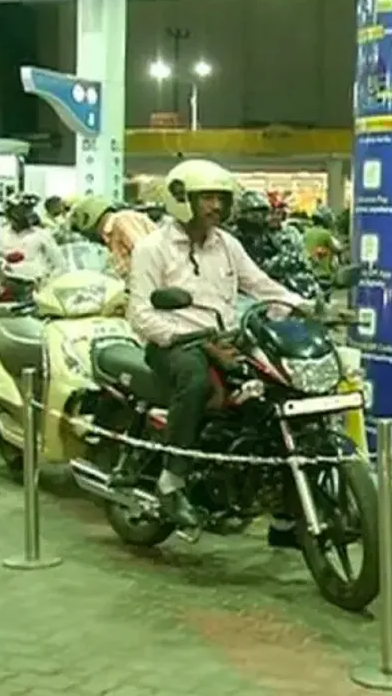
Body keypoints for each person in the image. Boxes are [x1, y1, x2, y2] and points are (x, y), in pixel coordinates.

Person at [127, 159, 309, 533]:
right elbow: (140, 313)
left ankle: (281, 503)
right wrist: (179, 336)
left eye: (221, 199)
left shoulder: (227, 244)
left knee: (275, 388)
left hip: (224, 340)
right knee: (196, 383)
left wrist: (303, 306)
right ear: (182, 200)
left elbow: (260, 285)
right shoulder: (152, 248)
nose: (216, 206)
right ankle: (171, 479)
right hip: (174, 344)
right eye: (206, 198)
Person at [229, 189, 323, 301]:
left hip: (278, 288)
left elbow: (290, 259)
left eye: (264, 211)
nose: (260, 216)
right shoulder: (231, 237)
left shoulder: (281, 234)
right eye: (255, 211)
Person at [69, 195, 157, 278]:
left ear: (86, 219)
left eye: (81, 232)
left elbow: (145, 257)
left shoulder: (120, 221)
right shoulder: (109, 236)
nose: (88, 239)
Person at [0, 193, 66, 282]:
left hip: (36, 284)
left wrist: (47, 281)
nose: (28, 213)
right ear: (10, 213)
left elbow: (60, 265)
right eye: (22, 210)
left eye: (29, 209)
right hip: (6, 284)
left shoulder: (42, 234)